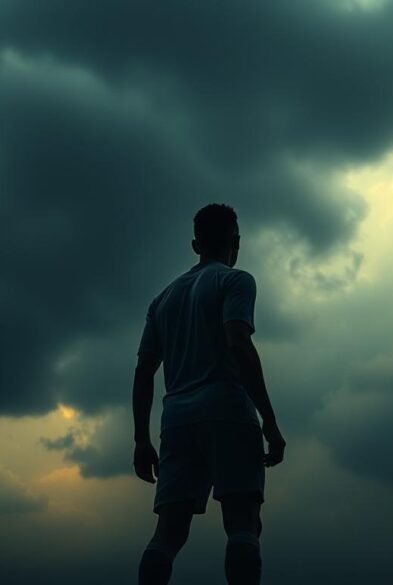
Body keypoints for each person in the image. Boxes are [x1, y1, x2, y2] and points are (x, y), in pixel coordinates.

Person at [132, 203, 286, 585]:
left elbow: (144, 371)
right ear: (237, 242)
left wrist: (141, 439)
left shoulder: (162, 299)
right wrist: (269, 420)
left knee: (168, 532)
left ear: (195, 244)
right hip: (227, 406)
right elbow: (238, 343)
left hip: (176, 418)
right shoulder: (235, 281)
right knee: (242, 522)